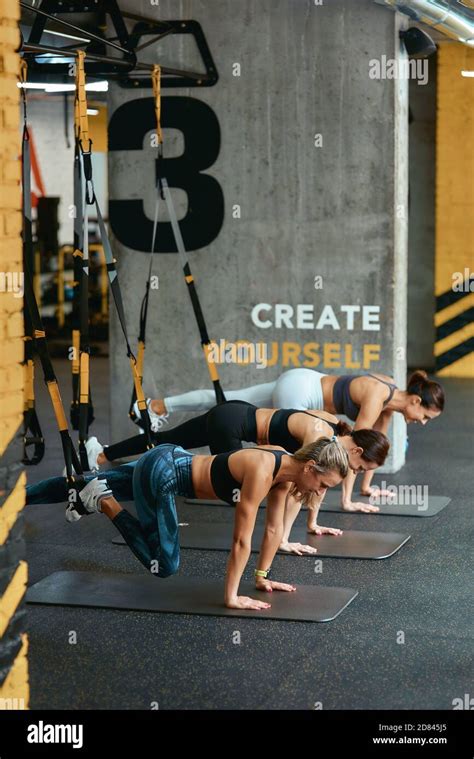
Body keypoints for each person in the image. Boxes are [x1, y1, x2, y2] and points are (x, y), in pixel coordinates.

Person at [26, 438, 349, 611]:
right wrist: (231, 597)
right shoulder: (264, 469)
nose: (321, 493)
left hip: (169, 460)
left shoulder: (284, 468)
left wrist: (263, 577)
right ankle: (103, 501)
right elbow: (240, 540)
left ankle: (14, 496)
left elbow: (274, 529)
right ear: (310, 468)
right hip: (165, 475)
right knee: (164, 565)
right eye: (324, 484)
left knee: (80, 481)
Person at [134, 369, 443, 510]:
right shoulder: (378, 396)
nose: (424, 423)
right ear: (416, 402)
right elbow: (353, 453)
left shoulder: (390, 392)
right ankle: (260, 497)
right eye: (427, 417)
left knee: (228, 399)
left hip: (301, 379)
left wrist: (366, 488)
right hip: (302, 393)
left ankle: (159, 405)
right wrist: (347, 502)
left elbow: (374, 447)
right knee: (297, 459)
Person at [84, 401, 389, 539]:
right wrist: (282, 537)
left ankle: (101, 455)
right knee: (234, 493)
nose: (358, 472)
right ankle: (122, 487)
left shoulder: (334, 426)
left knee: (166, 439)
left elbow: (313, 485)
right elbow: (297, 488)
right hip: (232, 424)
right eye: (362, 467)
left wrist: (312, 524)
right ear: (357, 451)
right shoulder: (321, 437)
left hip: (231, 413)